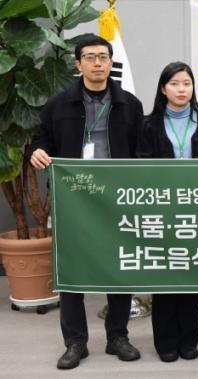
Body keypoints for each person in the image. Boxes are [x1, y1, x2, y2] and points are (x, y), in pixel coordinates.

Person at [29, 34, 143, 370]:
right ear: (78, 64)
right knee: (73, 271)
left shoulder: (130, 104)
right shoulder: (58, 104)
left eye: (103, 57)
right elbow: (41, 141)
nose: (98, 63)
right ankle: (75, 342)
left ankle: (117, 336)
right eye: (90, 57)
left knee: (118, 268)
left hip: (117, 199)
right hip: (73, 199)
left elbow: (141, 151)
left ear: (111, 62)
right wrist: (36, 151)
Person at [137, 62, 198, 362]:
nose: (181, 89)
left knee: (191, 274)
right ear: (163, 89)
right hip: (161, 210)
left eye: (187, 83)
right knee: (164, 275)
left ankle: (189, 338)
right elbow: (141, 167)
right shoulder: (147, 125)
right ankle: (165, 341)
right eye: (174, 84)